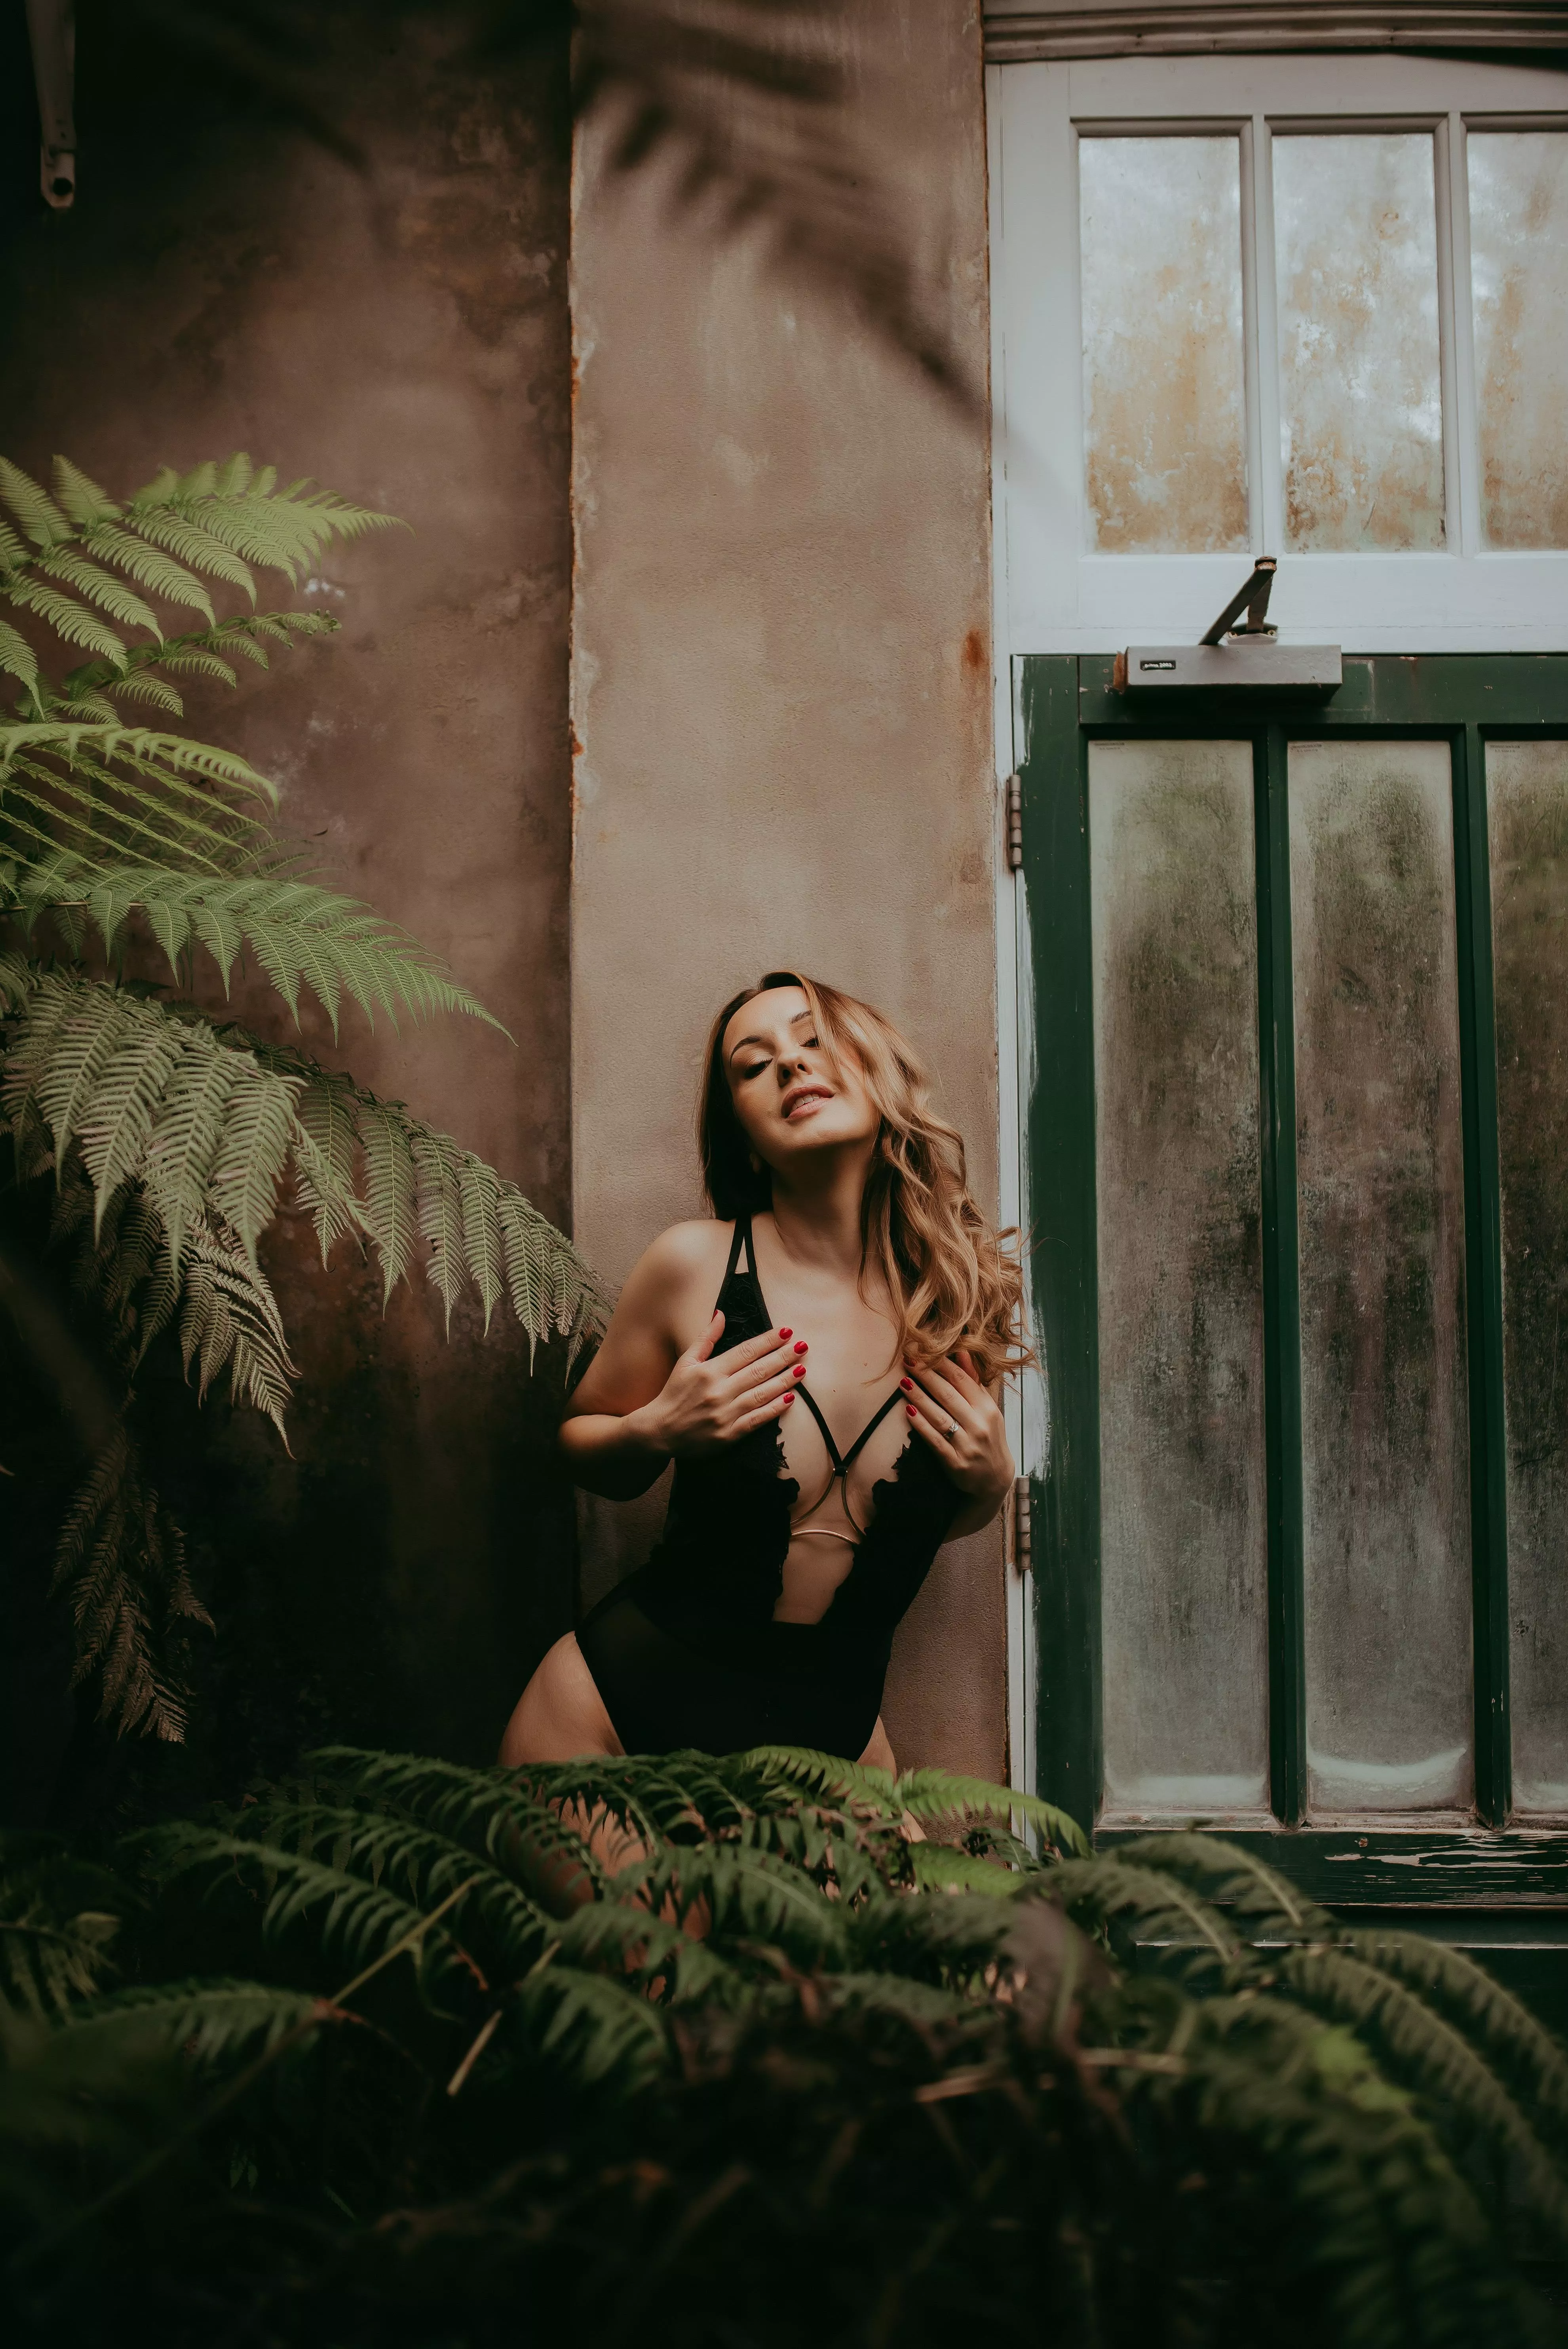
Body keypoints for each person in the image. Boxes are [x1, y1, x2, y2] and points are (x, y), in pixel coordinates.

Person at [500, 971, 1026, 1773]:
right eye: (754, 1064)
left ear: (875, 1074)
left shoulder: (955, 1298)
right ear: (745, 1135)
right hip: (609, 1727)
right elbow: (578, 1444)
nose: (789, 1063)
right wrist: (659, 1427)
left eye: (814, 1039)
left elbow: (926, 1514)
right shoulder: (694, 1263)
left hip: (831, 1750)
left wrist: (989, 1490)